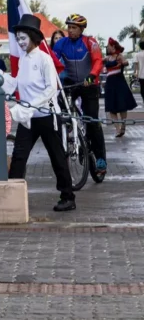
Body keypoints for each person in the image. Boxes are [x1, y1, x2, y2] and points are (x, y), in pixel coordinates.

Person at [8, 14, 76, 212]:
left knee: (57, 156)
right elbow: (16, 84)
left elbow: (51, 89)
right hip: (28, 119)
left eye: (23, 38)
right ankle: (13, 196)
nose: (20, 42)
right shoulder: (22, 61)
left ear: (33, 37)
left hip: (47, 116)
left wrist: (31, 105)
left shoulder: (45, 59)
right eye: (18, 38)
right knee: (19, 156)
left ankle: (68, 196)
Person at [53, 14, 106, 177]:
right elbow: (53, 60)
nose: (70, 30)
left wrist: (92, 75)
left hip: (89, 83)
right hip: (72, 83)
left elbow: (98, 61)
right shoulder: (62, 43)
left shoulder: (90, 42)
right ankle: (69, 124)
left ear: (82, 29)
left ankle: (100, 159)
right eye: (68, 27)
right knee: (59, 100)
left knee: (92, 121)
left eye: (74, 27)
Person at [104, 38, 137, 137]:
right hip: (110, 83)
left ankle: (123, 125)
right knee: (111, 108)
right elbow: (98, 62)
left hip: (119, 82)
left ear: (113, 46)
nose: (107, 47)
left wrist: (123, 62)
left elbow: (126, 62)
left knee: (122, 105)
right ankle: (117, 129)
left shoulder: (119, 56)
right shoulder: (107, 58)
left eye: (108, 46)